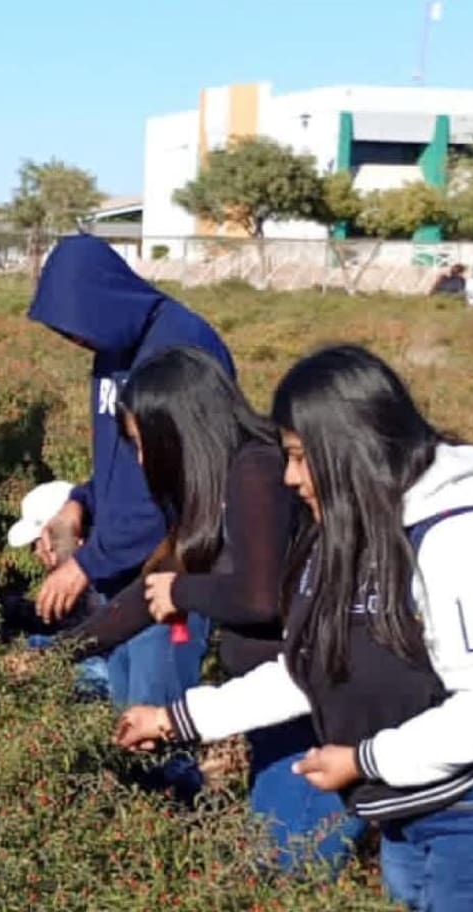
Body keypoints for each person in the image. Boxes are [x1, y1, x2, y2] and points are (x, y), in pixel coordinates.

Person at [116, 345, 473, 911]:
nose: (290, 478)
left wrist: (366, 759)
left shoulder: (456, 539)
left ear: (352, 448)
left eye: (300, 457)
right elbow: (311, 667)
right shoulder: (345, 531)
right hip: (401, 810)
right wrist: (177, 719)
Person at [58, 346, 364, 870]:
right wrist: (62, 652)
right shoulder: (218, 486)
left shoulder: (257, 469)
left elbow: (257, 595)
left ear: (177, 430)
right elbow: (149, 588)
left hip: (314, 710)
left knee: (290, 868)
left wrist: (184, 593)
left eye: (141, 444)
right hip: (275, 705)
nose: (141, 460)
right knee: (273, 859)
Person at [26, 235, 233, 710]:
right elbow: (120, 463)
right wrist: (80, 503)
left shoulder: (181, 349)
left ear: (103, 299)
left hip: (167, 569)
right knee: (122, 706)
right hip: (120, 570)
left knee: (155, 712)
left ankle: (174, 785)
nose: (75, 340)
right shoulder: (114, 345)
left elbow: (177, 483)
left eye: (75, 326)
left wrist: (87, 563)